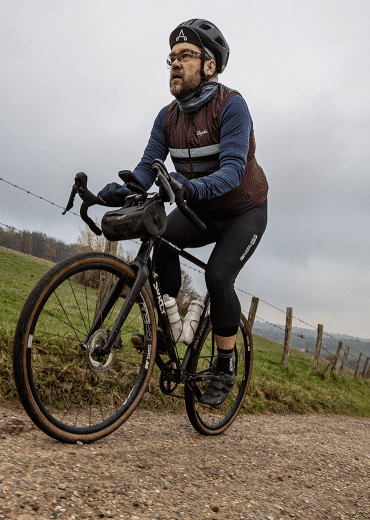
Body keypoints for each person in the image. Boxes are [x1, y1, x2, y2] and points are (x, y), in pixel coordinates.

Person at [98, 19, 268, 406]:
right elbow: (146, 168)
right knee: (163, 241)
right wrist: (117, 190)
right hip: (199, 208)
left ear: (210, 66)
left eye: (186, 56)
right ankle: (171, 331)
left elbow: (231, 172)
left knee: (218, 275)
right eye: (172, 58)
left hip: (245, 211)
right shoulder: (167, 117)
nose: (175, 64)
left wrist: (188, 187)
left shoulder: (232, 106)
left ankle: (225, 366)